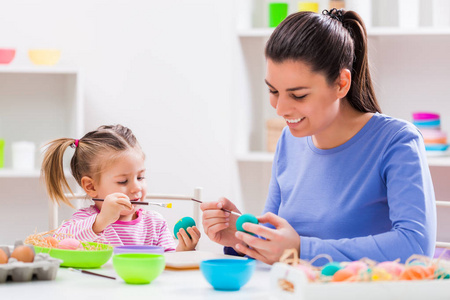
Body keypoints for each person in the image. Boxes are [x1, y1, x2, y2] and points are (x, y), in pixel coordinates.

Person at [201, 9, 436, 265]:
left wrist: (302, 249)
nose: (280, 109)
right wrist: (240, 236)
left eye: (298, 95)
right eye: (273, 91)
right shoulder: (288, 142)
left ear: (341, 84)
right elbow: (277, 241)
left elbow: (416, 245)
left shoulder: (396, 141)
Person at [41, 124, 200, 252]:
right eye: (123, 181)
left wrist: (182, 250)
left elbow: (167, 265)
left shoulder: (155, 223)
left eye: (140, 177)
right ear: (91, 186)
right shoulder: (84, 220)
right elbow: (58, 242)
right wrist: (101, 221)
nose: (136, 187)